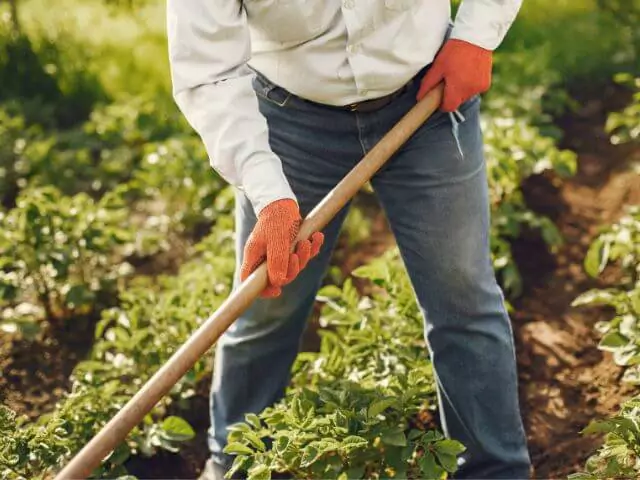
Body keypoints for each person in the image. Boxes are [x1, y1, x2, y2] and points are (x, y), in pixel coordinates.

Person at [166, 1, 531, 478]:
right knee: (268, 301)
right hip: (289, 117)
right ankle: (234, 464)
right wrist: (269, 194)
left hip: (427, 93)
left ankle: (495, 472)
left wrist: (477, 36)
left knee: (462, 296)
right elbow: (207, 70)